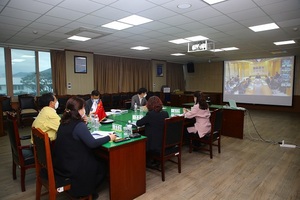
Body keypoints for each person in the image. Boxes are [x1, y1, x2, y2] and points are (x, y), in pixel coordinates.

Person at [52, 96, 116, 198]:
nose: (84, 110)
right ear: (79, 110)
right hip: (73, 167)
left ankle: (89, 189)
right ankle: (89, 191)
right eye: (83, 108)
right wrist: (109, 137)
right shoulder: (78, 125)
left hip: (61, 163)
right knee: (102, 166)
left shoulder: (64, 121)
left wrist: (83, 123)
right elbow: (92, 143)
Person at [136, 96, 169, 167]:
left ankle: (148, 161)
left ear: (149, 105)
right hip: (163, 142)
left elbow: (138, 123)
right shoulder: (165, 113)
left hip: (153, 145)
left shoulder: (150, 115)